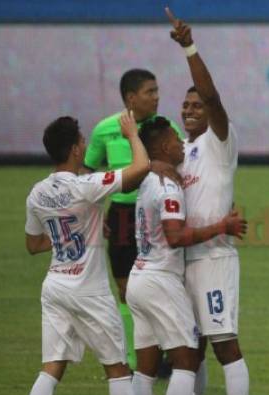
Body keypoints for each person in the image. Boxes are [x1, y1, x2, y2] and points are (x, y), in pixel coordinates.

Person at [24, 111, 151, 395]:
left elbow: (34, 244)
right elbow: (140, 169)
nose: (84, 144)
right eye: (81, 141)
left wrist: (74, 233)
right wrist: (131, 135)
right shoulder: (85, 186)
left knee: (51, 368)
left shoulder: (36, 193)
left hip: (55, 286)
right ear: (75, 150)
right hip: (88, 291)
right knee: (118, 369)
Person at [126, 117, 247, 395]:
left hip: (138, 277)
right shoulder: (168, 187)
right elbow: (176, 236)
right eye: (176, 140)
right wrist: (221, 225)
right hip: (162, 280)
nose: (182, 144)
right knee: (186, 360)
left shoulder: (148, 180)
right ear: (165, 146)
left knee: (146, 367)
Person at [165, 8, 250, 395]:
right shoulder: (184, 152)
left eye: (196, 105)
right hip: (184, 262)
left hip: (215, 260)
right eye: (186, 105)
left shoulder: (221, 142)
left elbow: (214, 99)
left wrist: (189, 49)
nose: (190, 109)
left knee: (225, 347)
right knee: (189, 354)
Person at [84, 69, 182, 372]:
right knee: (126, 291)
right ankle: (131, 361)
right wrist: (95, 214)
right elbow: (88, 174)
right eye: (150, 91)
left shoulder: (165, 128)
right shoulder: (105, 130)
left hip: (158, 213)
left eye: (156, 90)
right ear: (131, 98)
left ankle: (167, 352)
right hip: (123, 216)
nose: (157, 97)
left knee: (164, 285)